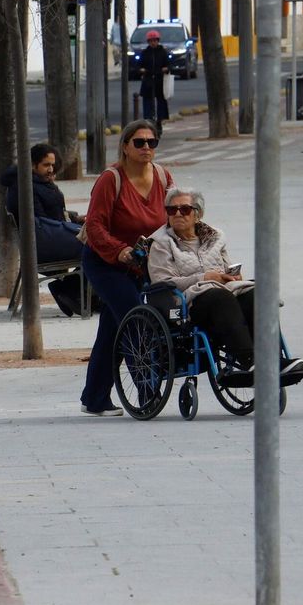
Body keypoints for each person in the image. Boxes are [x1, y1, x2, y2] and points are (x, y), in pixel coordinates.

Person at [147, 188, 303, 382]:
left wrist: (233, 276)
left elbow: (225, 266)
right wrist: (205, 277)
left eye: (185, 209)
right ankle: (248, 360)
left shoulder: (214, 238)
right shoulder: (161, 244)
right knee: (219, 297)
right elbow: (163, 282)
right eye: (172, 210)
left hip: (222, 293)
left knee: (255, 295)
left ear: (198, 214)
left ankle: (272, 360)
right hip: (188, 303)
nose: (178, 214)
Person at [78, 119, 175, 416]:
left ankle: (94, 399)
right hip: (105, 261)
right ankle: (148, 393)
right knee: (136, 318)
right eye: (139, 142)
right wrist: (119, 251)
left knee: (112, 327)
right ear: (125, 146)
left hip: (141, 263)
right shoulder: (111, 179)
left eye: (152, 142)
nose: (146, 147)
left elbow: (174, 217)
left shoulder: (162, 177)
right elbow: (94, 225)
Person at [0, 142, 85, 316]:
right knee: (98, 246)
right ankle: (69, 290)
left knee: (99, 239)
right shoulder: (27, 187)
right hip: (44, 243)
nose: (51, 169)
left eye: (53, 165)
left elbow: (52, 213)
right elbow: (41, 221)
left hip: (50, 236)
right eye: (46, 165)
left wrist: (75, 219)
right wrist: (75, 229)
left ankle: (74, 292)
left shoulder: (38, 182)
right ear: (32, 165)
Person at [137, 29, 171, 125]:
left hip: (159, 79)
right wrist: (141, 70)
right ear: (148, 42)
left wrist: (166, 69)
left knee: (161, 100)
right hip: (148, 79)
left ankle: (160, 119)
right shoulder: (145, 52)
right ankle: (148, 119)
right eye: (151, 41)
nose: (153, 43)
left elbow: (168, 65)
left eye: (155, 40)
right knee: (147, 100)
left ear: (158, 41)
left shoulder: (162, 52)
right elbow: (139, 65)